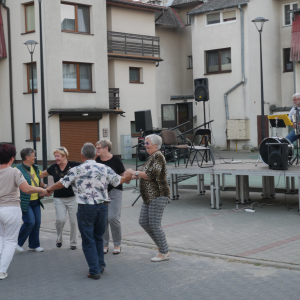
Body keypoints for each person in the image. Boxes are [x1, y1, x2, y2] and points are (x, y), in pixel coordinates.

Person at [46, 143, 132, 280]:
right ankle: (100, 264)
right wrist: (129, 175)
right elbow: (118, 181)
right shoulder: (105, 167)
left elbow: (63, 183)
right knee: (98, 237)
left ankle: (94, 270)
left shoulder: (77, 169)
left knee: (88, 240)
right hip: (103, 207)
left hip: (86, 208)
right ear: (95, 154)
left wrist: (49, 189)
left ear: (82, 156)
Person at [0, 144, 47, 280]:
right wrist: (42, 190)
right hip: (11, 209)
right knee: (10, 241)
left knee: (1, 237)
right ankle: (2, 271)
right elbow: (26, 189)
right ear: (12, 158)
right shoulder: (14, 171)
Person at [127, 134, 171, 262]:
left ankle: (164, 252)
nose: (144, 145)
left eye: (147, 143)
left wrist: (134, 172)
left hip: (158, 194)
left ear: (155, 145)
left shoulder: (158, 156)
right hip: (149, 196)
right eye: (144, 143)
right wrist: (129, 175)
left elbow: (150, 174)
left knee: (154, 224)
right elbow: (142, 174)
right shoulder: (152, 157)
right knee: (144, 222)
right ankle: (162, 247)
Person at [40, 147, 81, 250]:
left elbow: (87, 168)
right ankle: (59, 238)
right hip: (59, 198)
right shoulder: (53, 167)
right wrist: (44, 186)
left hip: (73, 198)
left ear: (64, 156)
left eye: (58, 156)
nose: (56, 158)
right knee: (60, 220)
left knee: (74, 221)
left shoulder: (73, 165)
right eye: (55, 156)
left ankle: (73, 243)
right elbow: (39, 175)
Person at [95, 139, 125, 255]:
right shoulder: (96, 160)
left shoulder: (116, 160)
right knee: (103, 219)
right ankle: (104, 244)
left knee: (113, 217)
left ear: (106, 148)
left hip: (115, 191)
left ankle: (117, 244)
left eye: (98, 148)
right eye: (96, 148)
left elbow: (123, 175)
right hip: (101, 193)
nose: (96, 150)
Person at [16, 148, 47, 253]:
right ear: (27, 157)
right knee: (30, 222)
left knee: (37, 223)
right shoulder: (18, 169)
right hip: (25, 201)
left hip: (35, 200)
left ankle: (33, 245)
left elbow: (37, 181)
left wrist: (46, 187)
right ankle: (18, 243)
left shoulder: (35, 167)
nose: (35, 157)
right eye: (33, 155)